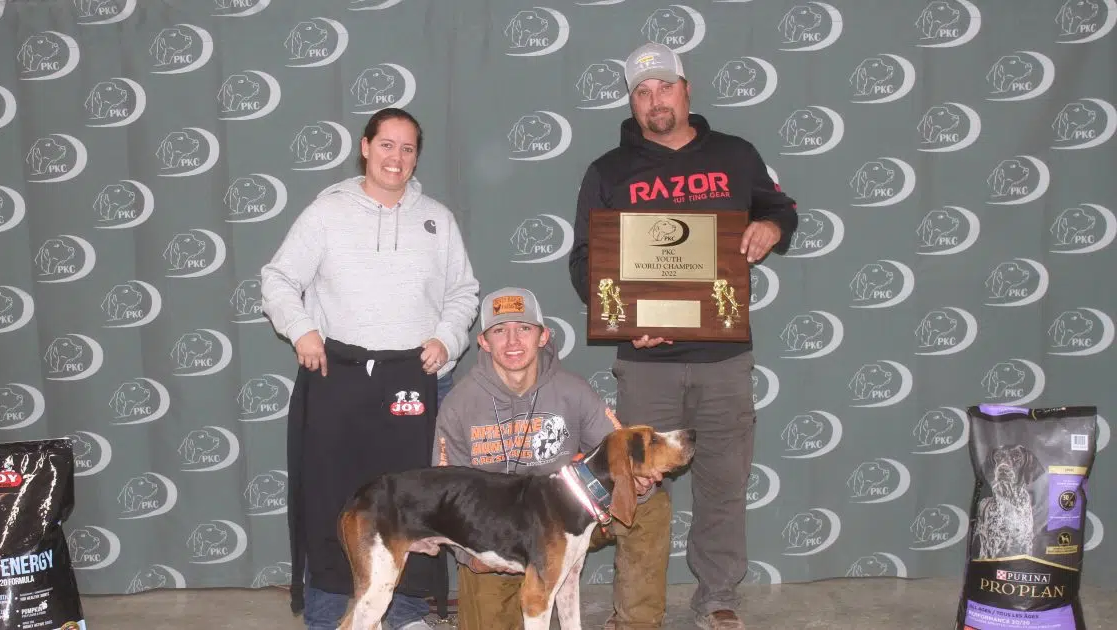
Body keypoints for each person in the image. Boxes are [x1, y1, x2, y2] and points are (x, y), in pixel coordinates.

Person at [567, 42, 799, 630]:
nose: (655, 101)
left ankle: (718, 594)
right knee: (636, 486)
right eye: (642, 93)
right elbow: (585, 260)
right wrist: (621, 318)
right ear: (631, 101)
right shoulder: (608, 170)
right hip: (645, 362)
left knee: (724, 480)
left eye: (664, 87)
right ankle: (637, 607)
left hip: (725, 358)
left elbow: (781, 207)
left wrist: (771, 225)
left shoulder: (736, 155)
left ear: (685, 88)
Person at [260, 107, 480, 630]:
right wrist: (301, 328)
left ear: (415, 157)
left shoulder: (437, 218)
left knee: (413, 502)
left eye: (407, 149)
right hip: (338, 373)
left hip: (414, 378)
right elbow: (277, 280)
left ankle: (404, 613)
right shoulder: (326, 212)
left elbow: (463, 291)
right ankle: (328, 613)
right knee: (332, 501)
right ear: (365, 147)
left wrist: (447, 339)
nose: (396, 157)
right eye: (387, 145)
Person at [432, 286, 669, 630]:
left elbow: (618, 448)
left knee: (649, 506)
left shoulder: (572, 390)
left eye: (524, 329)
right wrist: (471, 555)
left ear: (543, 336)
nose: (513, 342)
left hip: (570, 518)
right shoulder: (459, 405)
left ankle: (639, 624)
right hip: (497, 537)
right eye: (500, 331)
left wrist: (639, 479)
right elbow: (445, 494)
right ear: (483, 342)